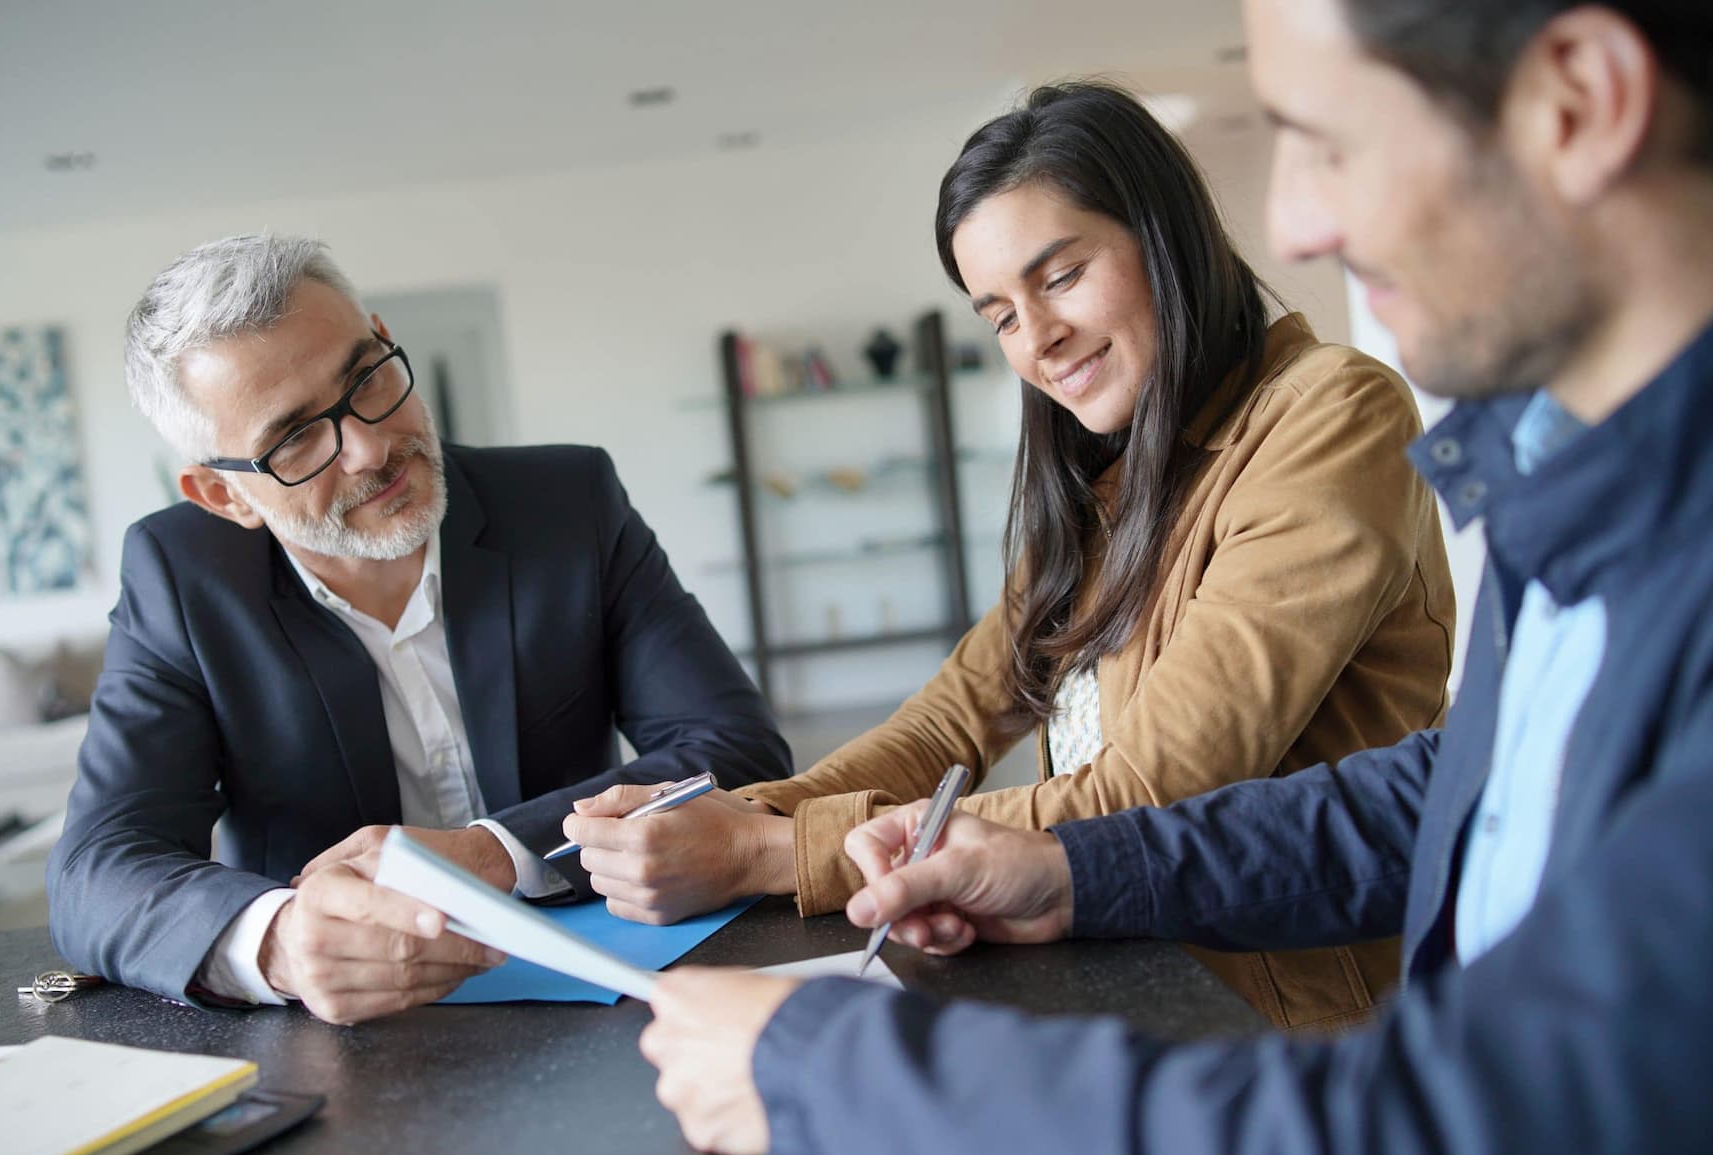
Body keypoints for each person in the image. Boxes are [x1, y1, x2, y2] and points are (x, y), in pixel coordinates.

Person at [639, 1, 1713, 1155]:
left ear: (1581, 103)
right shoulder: (1563, 479)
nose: (1299, 224)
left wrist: (818, 1043)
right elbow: (1444, 791)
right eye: (998, 309)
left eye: (1327, 142)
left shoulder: (1348, 420)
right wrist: (1063, 870)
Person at [566, 80, 1455, 1032]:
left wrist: (762, 853)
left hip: (1305, 1032)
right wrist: (727, 814)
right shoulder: (1109, 476)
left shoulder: (1331, 413)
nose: (1036, 339)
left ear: (1167, 237)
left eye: (1062, 276)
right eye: (998, 314)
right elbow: (946, 727)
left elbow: (1145, 799)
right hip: (1128, 987)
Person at [46, 234, 790, 1024]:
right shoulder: (179, 576)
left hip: (609, 990)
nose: (371, 446)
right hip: (346, 1041)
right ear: (222, 495)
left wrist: (492, 854)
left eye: (366, 376)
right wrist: (280, 942)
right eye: (295, 437)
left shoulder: (569, 502)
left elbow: (732, 745)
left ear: (386, 338)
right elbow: (97, 870)